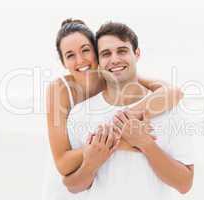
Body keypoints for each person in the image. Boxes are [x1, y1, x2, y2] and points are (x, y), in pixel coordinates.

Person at [44, 19, 184, 199]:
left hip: (97, 181)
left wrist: (128, 119)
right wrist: (116, 142)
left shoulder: (112, 75)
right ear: (63, 62)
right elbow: (63, 163)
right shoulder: (60, 89)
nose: (80, 60)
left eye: (85, 50)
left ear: (96, 52)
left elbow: (173, 93)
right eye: (70, 55)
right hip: (69, 181)